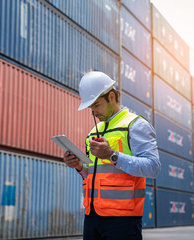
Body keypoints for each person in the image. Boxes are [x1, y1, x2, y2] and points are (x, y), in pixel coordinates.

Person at [63, 71, 160, 240]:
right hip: (92, 217)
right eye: (90, 107)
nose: (93, 112)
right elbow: (92, 175)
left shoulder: (136, 125)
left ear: (112, 96)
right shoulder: (93, 132)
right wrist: (78, 166)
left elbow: (153, 168)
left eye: (96, 105)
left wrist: (112, 155)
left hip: (123, 220)